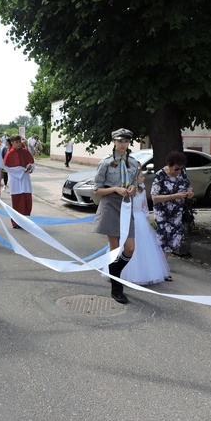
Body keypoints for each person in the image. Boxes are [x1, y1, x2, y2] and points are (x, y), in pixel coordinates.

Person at [92, 128, 139, 304]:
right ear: (113, 142)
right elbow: (96, 189)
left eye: (126, 141)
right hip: (110, 204)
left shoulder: (134, 163)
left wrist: (133, 188)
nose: (123, 144)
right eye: (120, 141)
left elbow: (134, 183)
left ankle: (115, 274)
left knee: (130, 248)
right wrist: (115, 189)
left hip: (127, 205)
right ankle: (116, 287)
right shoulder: (105, 163)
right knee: (115, 249)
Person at [121, 171, 171, 285]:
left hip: (141, 220)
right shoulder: (128, 192)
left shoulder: (142, 191)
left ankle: (145, 273)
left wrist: (148, 222)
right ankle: (125, 272)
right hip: (130, 219)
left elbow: (145, 207)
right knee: (131, 246)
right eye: (141, 176)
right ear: (134, 179)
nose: (144, 178)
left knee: (144, 247)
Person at [150, 150, 194, 279]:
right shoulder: (160, 176)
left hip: (177, 212)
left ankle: (160, 266)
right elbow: (154, 197)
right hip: (162, 213)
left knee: (175, 240)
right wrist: (174, 196)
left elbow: (188, 187)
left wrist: (190, 193)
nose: (178, 171)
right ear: (169, 165)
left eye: (181, 169)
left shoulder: (182, 173)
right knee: (163, 240)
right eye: (176, 169)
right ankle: (161, 270)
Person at [3, 135, 35, 228]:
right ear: (12, 143)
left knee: (27, 201)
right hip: (15, 180)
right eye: (16, 142)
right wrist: (21, 170)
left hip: (25, 180)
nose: (18, 144)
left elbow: (32, 164)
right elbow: (7, 167)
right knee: (17, 202)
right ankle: (16, 222)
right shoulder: (9, 154)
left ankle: (27, 221)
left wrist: (30, 167)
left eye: (19, 142)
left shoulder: (25, 152)